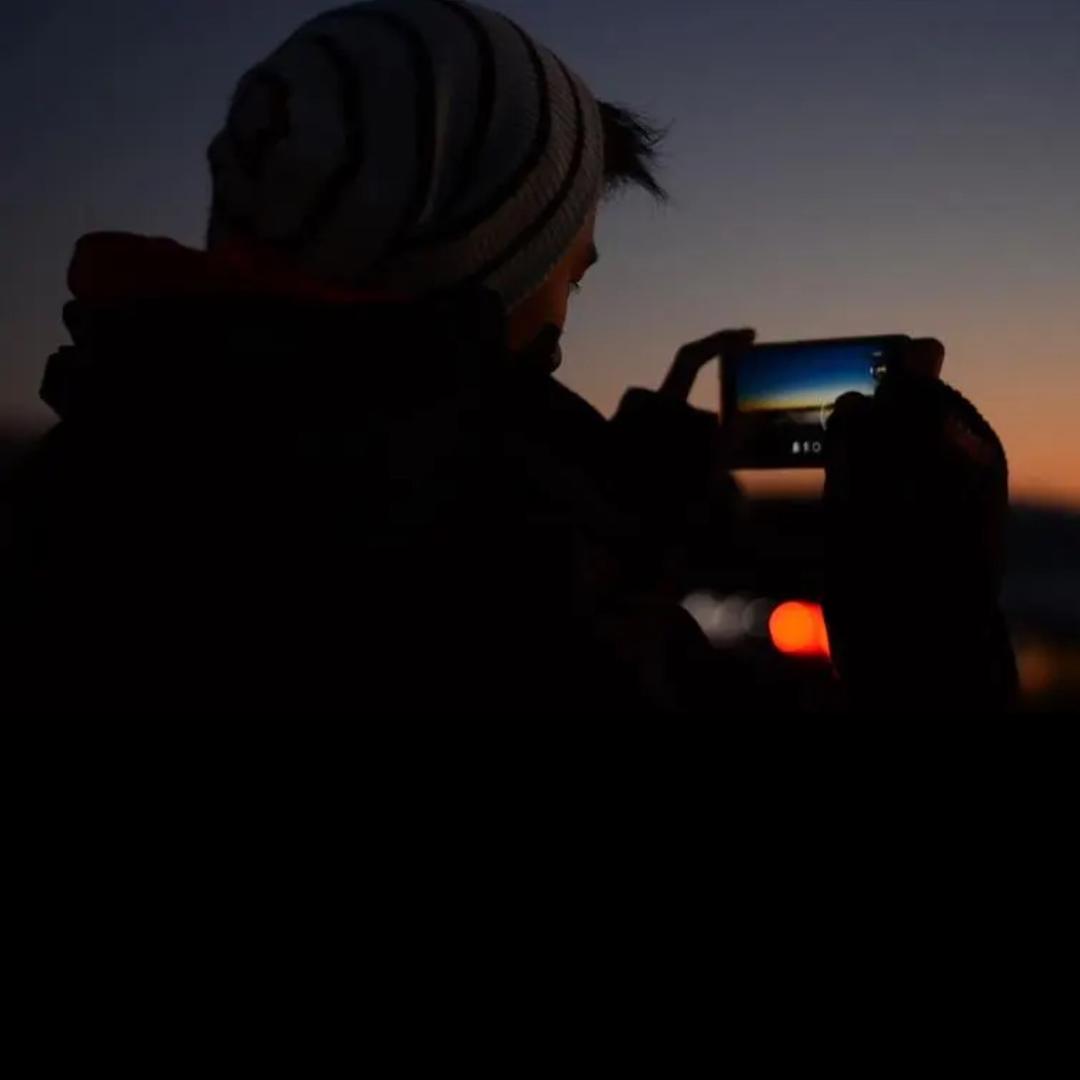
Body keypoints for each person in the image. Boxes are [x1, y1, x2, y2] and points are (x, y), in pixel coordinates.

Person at [1, 0, 1015, 712]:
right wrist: (927, 613)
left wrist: (617, 500)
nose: (565, 325)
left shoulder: (100, 470)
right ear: (479, 263)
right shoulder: (494, 599)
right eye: (571, 272)